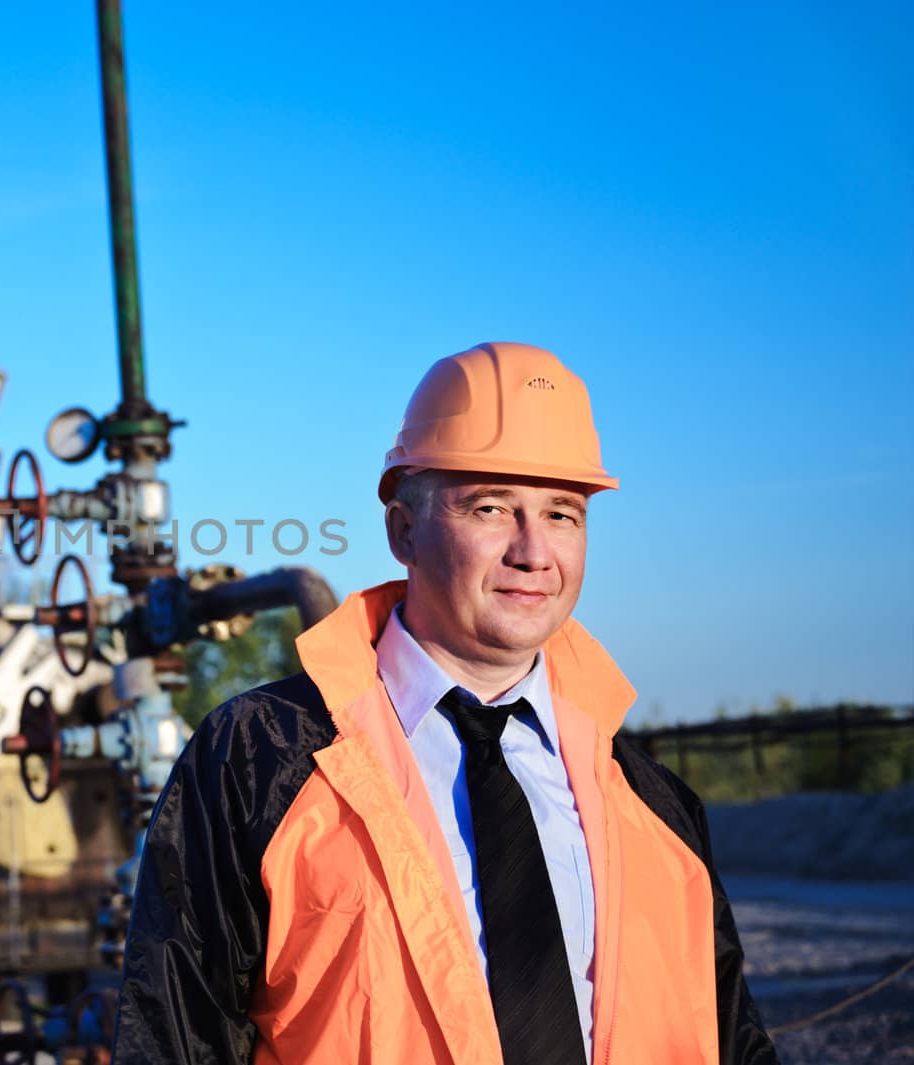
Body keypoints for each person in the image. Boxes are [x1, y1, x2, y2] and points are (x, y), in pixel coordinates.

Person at [111, 342, 777, 1064]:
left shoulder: (652, 805)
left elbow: (732, 1036)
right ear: (404, 531)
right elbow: (176, 1036)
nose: (533, 551)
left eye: (562, 514)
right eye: (490, 507)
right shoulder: (257, 761)